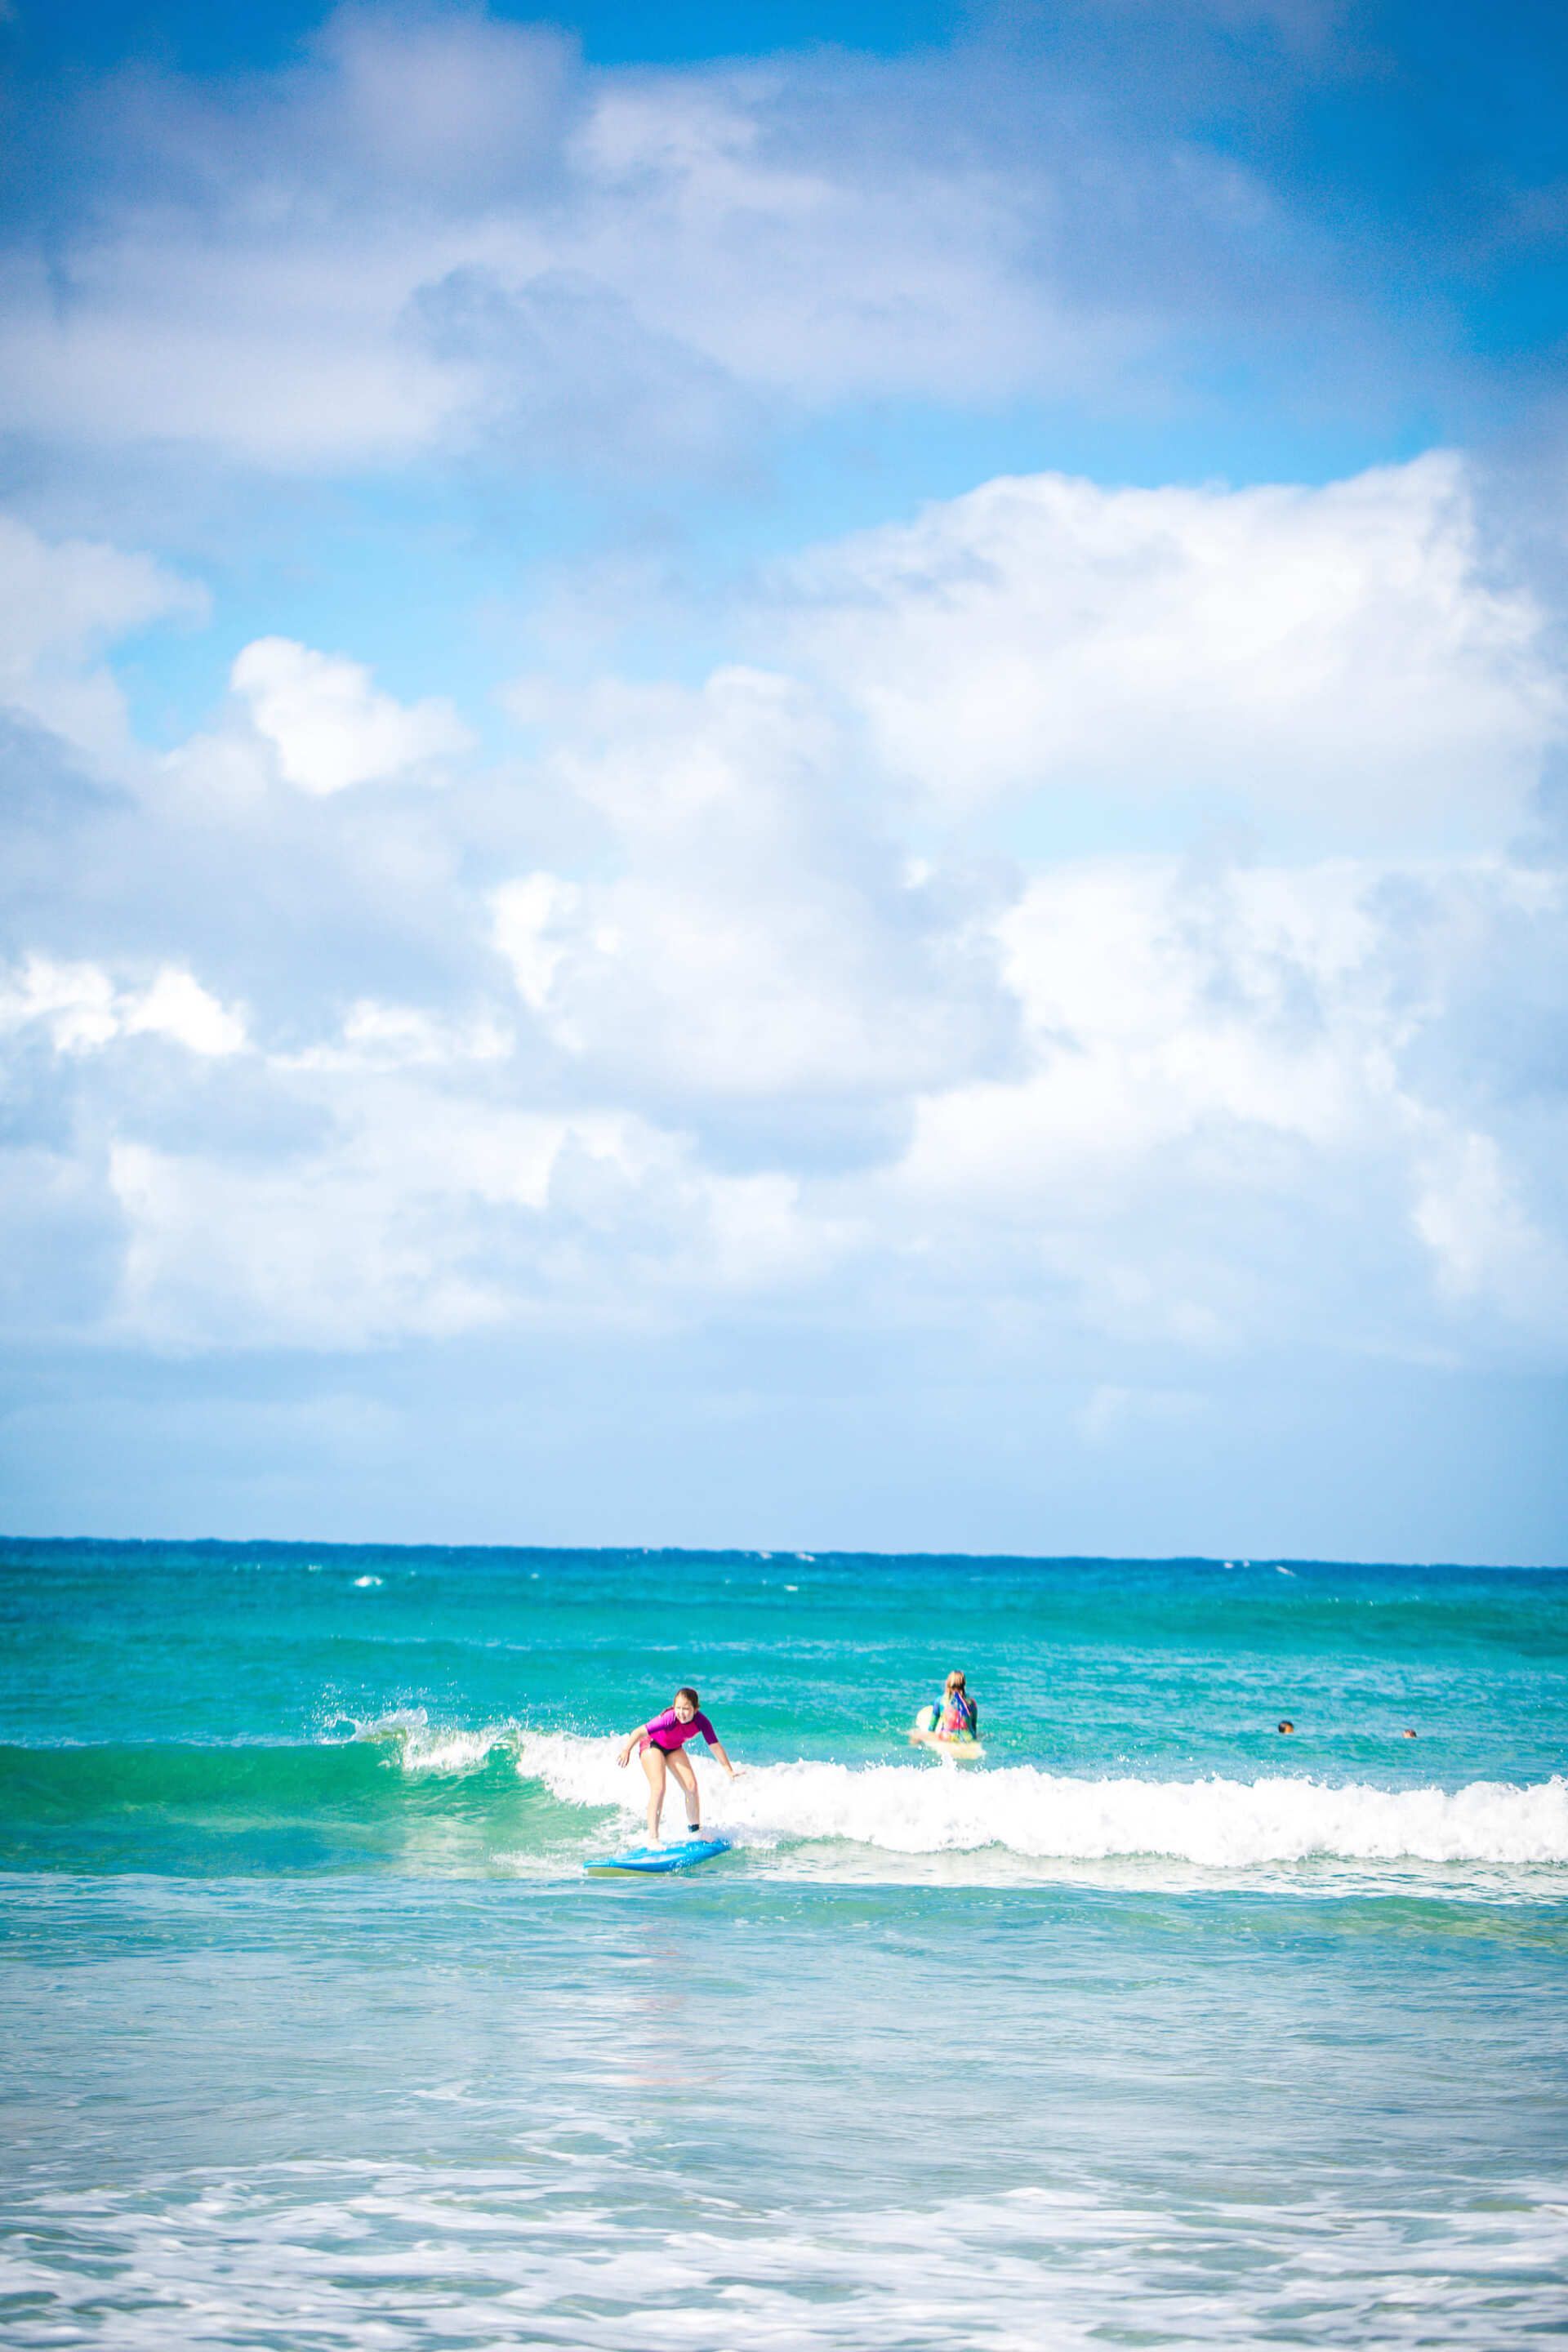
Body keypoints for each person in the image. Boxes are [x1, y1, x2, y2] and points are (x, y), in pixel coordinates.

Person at [617, 1686, 740, 1842]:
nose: (681, 1712)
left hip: (673, 1748)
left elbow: (714, 1745)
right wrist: (626, 1750)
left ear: (695, 1709)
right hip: (652, 1744)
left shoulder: (702, 1721)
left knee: (691, 1786)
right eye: (678, 1708)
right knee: (659, 1788)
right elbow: (639, 1732)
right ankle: (653, 1838)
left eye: (686, 1709)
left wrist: (728, 1770)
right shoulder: (669, 1718)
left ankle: (695, 1833)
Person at [911, 1669, 979, 1748]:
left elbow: (932, 1728)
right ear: (964, 1684)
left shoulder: (940, 1701)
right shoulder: (972, 1702)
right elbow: (974, 1728)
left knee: (915, 1735)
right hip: (968, 1739)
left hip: (947, 1738)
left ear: (948, 1683)